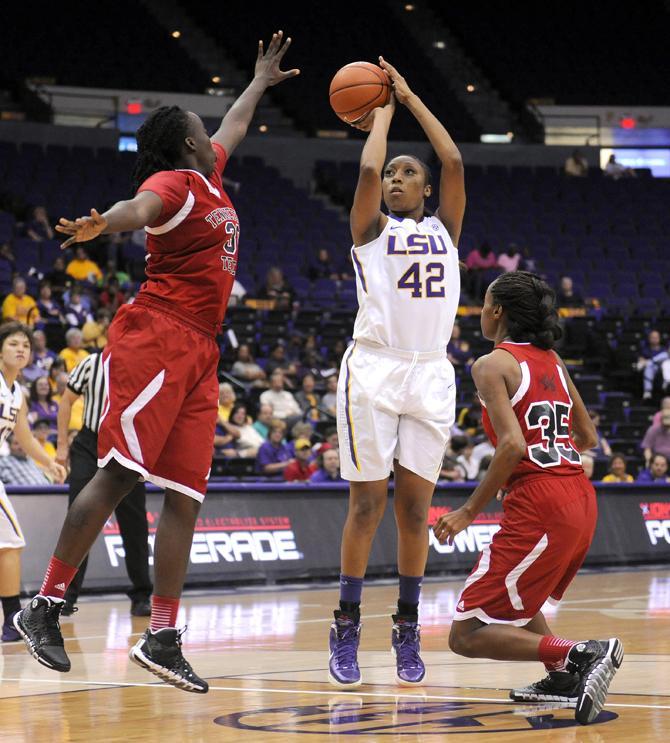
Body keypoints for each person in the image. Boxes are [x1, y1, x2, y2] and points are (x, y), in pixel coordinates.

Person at [12, 29, 299, 693]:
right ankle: (46, 605)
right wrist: (101, 225)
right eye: (201, 126)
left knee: (188, 498)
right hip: (157, 337)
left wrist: (258, 79)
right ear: (186, 143)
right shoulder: (172, 182)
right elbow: (136, 207)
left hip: (200, 348)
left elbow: (235, 120)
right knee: (118, 475)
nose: (210, 128)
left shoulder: (210, 173)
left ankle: (162, 634)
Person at [433, 271, 623, 726]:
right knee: (526, 598)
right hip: (579, 493)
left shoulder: (490, 364)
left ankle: (580, 653)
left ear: (497, 311)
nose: (479, 311)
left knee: (466, 635)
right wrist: (552, 456)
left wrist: (466, 511)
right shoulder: (552, 359)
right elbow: (588, 436)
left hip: (542, 500)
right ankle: (560, 676)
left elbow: (513, 445)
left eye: (483, 304)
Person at [328, 57, 463, 689]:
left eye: (411, 174)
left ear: (427, 189)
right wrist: (380, 117)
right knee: (368, 504)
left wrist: (409, 98)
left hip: (431, 374)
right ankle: (346, 623)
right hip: (375, 371)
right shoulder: (369, 232)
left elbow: (455, 160)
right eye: (393, 175)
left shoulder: (445, 229)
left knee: (415, 511)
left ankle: (407, 626)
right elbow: (365, 168)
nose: (397, 180)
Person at [55, 352, 152, 617]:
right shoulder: (91, 363)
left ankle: (142, 594)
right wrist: (62, 446)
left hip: (126, 445)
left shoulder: (144, 363)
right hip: (89, 444)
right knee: (79, 517)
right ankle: (65, 593)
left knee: (135, 524)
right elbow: (66, 401)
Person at [0, 323, 65, 643]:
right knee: (10, 543)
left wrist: (49, 463)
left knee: (9, 544)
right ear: (0, 351)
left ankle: (11, 622)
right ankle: (12, 620)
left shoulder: (17, 393)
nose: (21, 349)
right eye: (13, 344)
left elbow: (23, 437)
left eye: (25, 344)